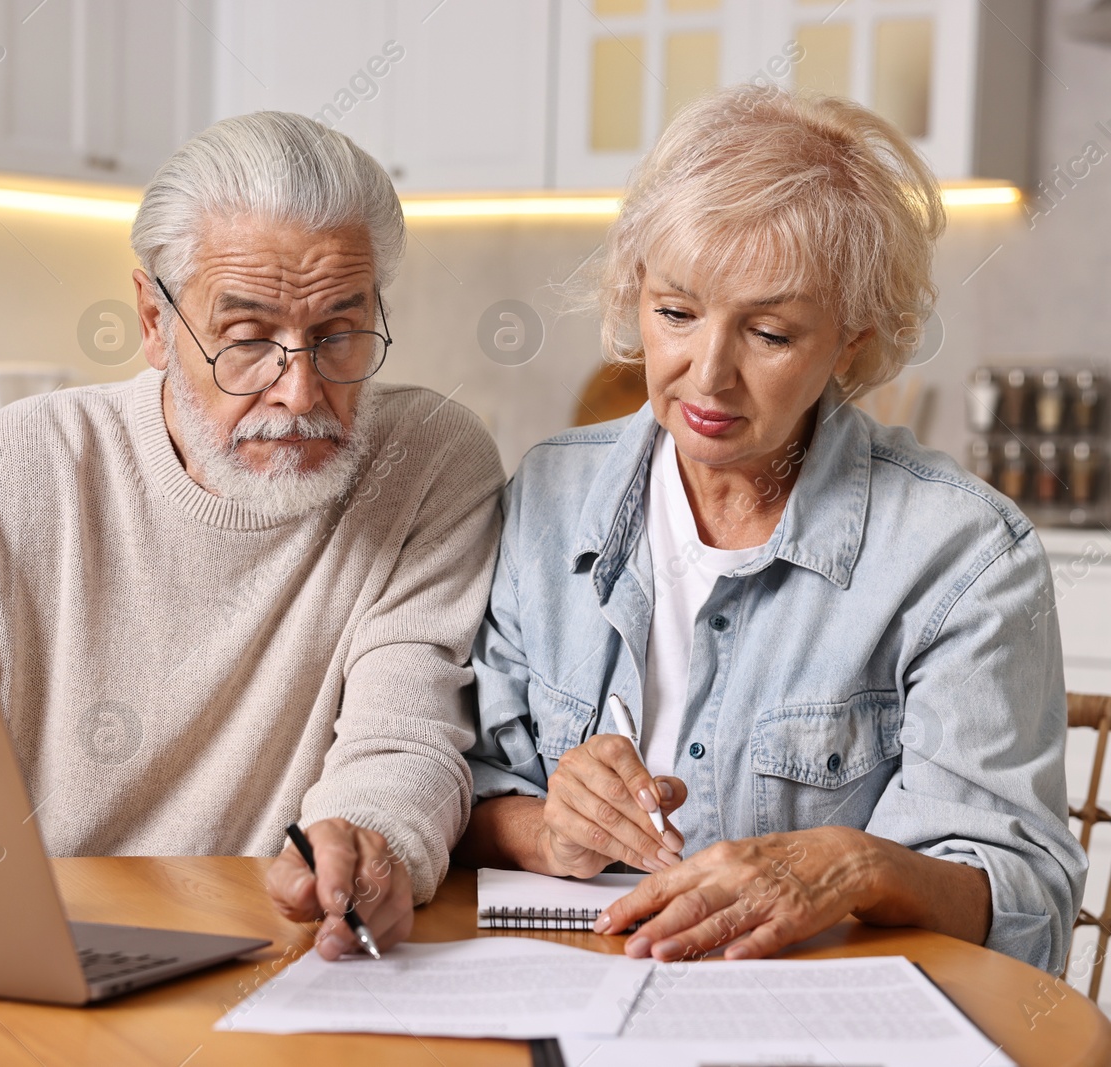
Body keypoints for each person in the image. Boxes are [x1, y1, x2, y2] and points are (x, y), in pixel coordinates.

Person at [0, 112, 505, 959]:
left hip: (278, 945)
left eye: (338, 333)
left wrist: (366, 843)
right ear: (154, 321)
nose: (299, 392)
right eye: (248, 338)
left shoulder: (429, 462)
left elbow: (407, 730)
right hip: (35, 946)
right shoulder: (16, 467)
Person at [456, 85, 1086, 973]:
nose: (707, 375)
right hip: (578, 999)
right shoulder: (550, 496)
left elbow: (1025, 899)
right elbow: (468, 791)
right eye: (675, 314)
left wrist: (854, 866)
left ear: (854, 345)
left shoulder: (964, 556)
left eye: (770, 333)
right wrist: (551, 832)